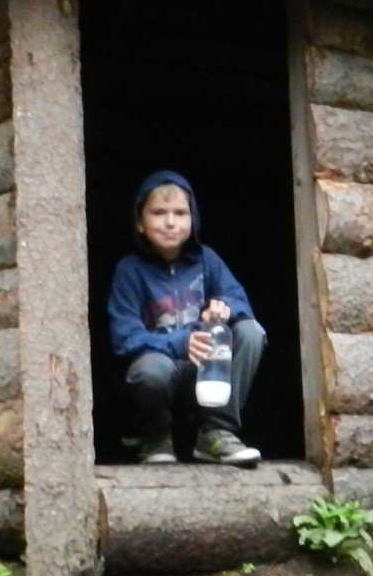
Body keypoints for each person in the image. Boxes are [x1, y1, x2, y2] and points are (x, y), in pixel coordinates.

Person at [105, 170, 265, 467]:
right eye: (158, 213)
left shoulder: (208, 260)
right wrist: (181, 343)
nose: (170, 222)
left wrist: (226, 308)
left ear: (193, 220)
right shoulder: (129, 270)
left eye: (180, 213)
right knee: (151, 369)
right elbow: (124, 337)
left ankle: (217, 432)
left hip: (203, 377)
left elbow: (240, 302)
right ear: (140, 222)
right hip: (156, 379)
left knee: (250, 331)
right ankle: (154, 438)